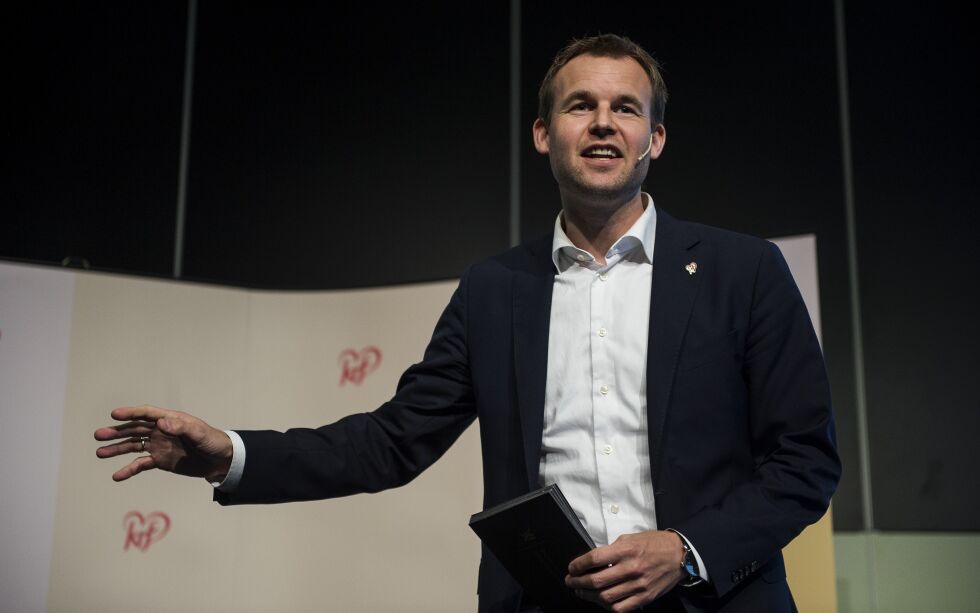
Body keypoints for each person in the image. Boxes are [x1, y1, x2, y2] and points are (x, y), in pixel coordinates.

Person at [95, 34, 840, 613]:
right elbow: (391, 443)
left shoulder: (744, 271)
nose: (605, 123)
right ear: (544, 134)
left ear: (657, 139)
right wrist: (229, 453)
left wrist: (685, 548)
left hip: (713, 600)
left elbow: (805, 462)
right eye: (581, 105)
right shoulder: (494, 289)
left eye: (627, 108)